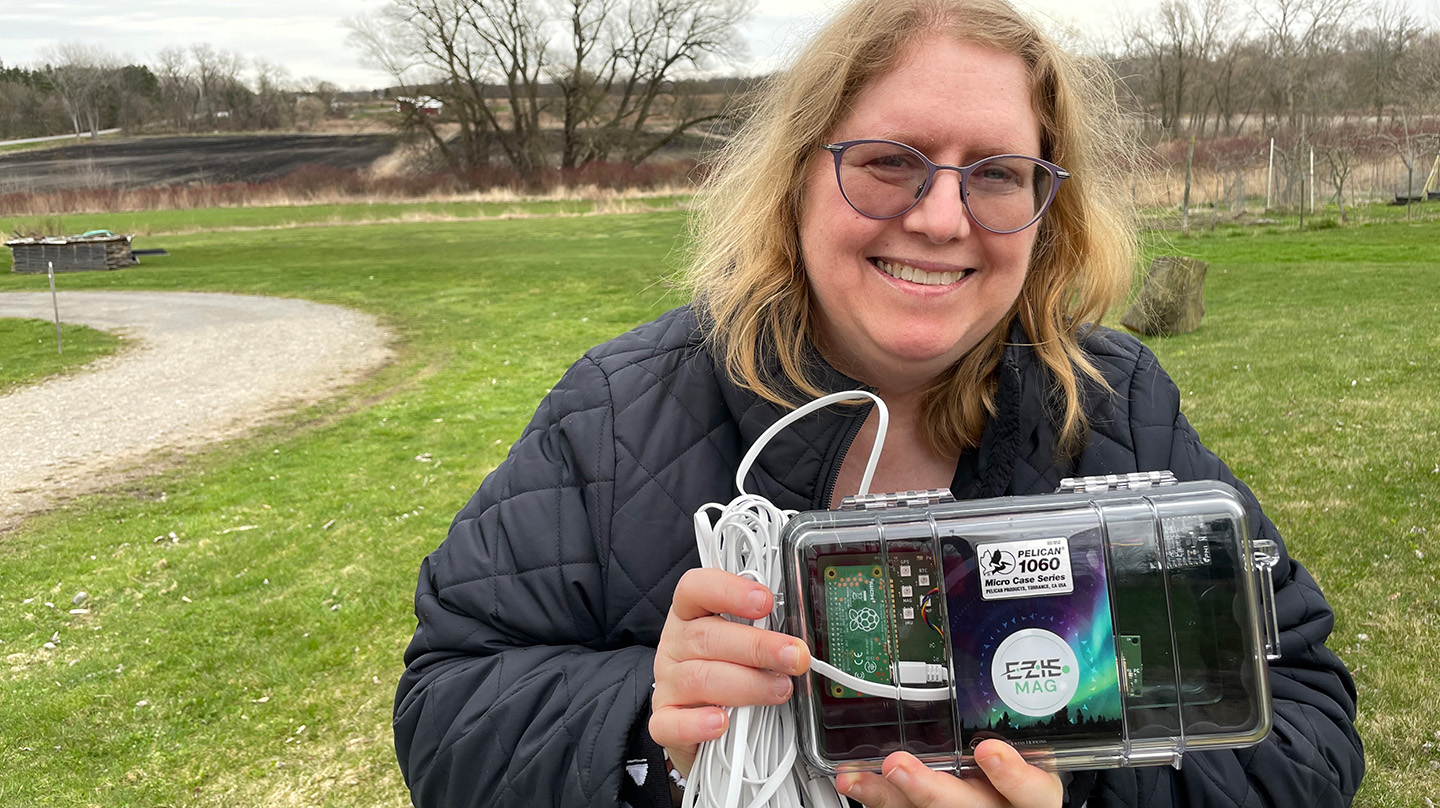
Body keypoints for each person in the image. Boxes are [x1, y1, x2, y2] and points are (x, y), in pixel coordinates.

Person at [392, 0, 1365, 805]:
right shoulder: (614, 414)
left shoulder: (1113, 405)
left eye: (997, 175)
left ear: (1046, 205)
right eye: (890, 160)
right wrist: (649, 724)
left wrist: (1078, 790)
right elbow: (446, 710)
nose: (941, 218)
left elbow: (1307, 727)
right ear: (798, 175)